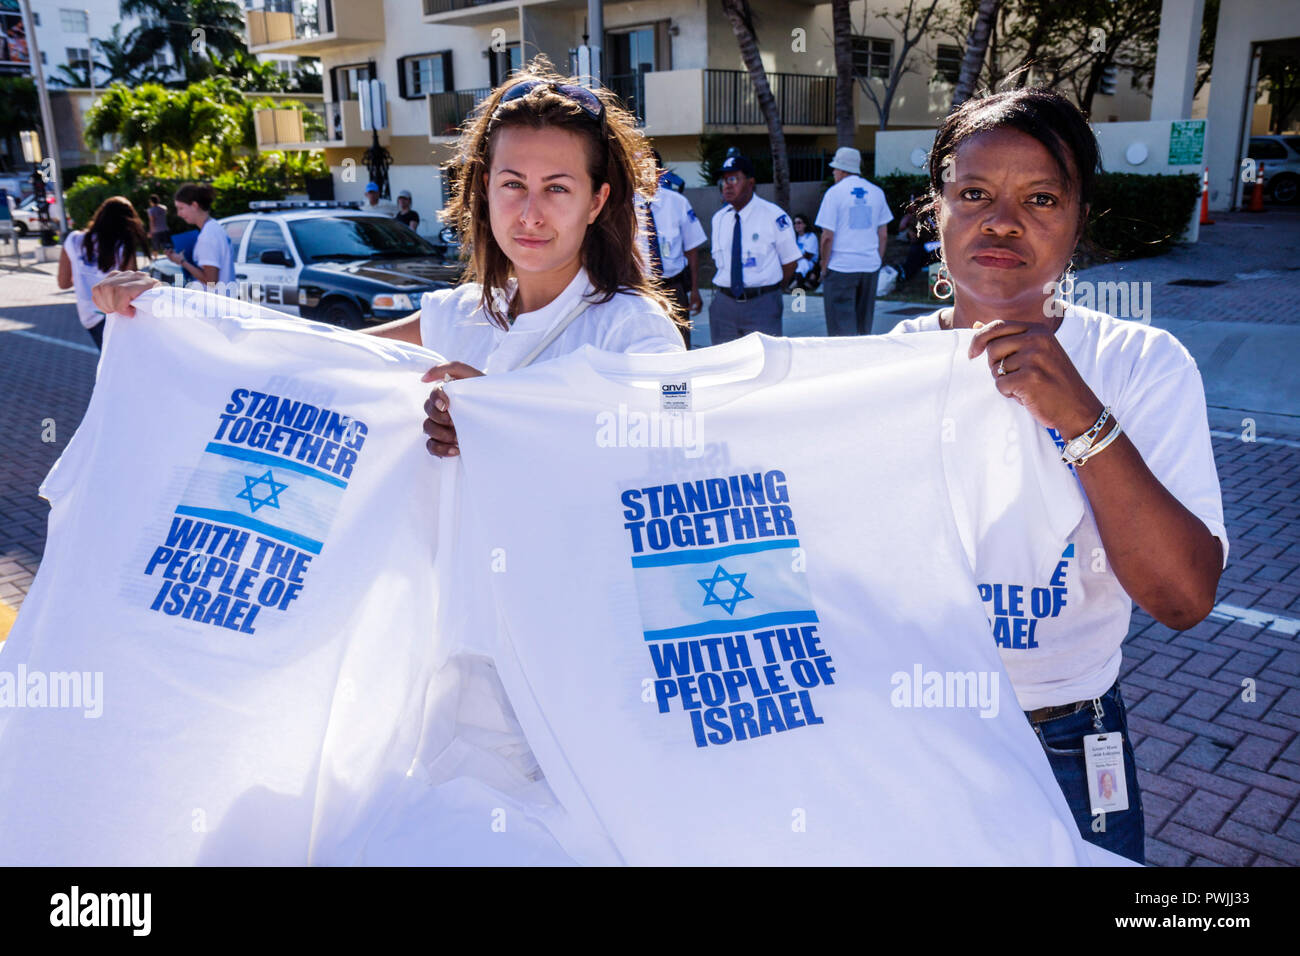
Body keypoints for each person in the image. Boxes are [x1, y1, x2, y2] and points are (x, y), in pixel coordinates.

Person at [889, 87, 1227, 864]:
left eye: (1041, 198)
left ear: (1079, 223)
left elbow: (1183, 597)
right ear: (934, 209)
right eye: (973, 193)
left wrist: (1080, 414)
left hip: (1071, 736)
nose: (1002, 221)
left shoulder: (1141, 365)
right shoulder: (884, 371)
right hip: (914, 729)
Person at [91, 55, 685, 458]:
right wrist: (171, 312)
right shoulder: (461, 316)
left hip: (562, 633)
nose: (530, 212)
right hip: (456, 635)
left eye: (557, 187)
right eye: (512, 184)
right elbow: (316, 356)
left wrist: (508, 417)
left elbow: (673, 454)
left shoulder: (634, 330)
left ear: (595, 200)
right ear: (483, 189)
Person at [708, 154, 800, 345]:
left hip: (762, 305)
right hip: (724, 306)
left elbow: (790, 262)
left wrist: (769, 290)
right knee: (724, 367)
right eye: (723, 180)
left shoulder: (774, 216)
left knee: (766, 365)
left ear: (750, 183)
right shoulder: (719, 219)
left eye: (733, 179)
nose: (727, 185)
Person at [815, 147, 893, 335]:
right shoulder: (876, 192)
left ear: (841, 170)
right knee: (863, 327)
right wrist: (876, 261)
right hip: (869, 267)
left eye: (834, 169)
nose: (833, 172)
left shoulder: (834, 193)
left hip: (841, 267)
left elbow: (827, 237)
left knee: (841, 330)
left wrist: (824, 265)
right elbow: (883, 234)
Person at [58, 196, 148, 349]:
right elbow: (133, 287)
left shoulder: (73, 240)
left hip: (88, 315)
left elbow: (63, 283)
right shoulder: (123, 245)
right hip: (117, 314)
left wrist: (84, 274)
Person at [638, 148, 706, 347]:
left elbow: (691, 250)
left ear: (660, 172)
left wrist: (694, 290)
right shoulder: (623, 206)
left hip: (673, 287)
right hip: (639, 292)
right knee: (644, 346)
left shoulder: (678, 203)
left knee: (679, 345)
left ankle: (680, 380)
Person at [166, 183, 234, 288]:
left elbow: (211, 281)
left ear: (194, 205)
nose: (179, 214)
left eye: (181, 208)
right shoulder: (215, 228)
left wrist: (182, 261)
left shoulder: (208, 235)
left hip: (213, 302)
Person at [786, 213, 820, 291]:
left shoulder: (811, 236)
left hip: (810, 262)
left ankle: (792, 286)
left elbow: (808, 255)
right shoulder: (795, 237)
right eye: (794, 223)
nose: (796, 225)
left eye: (799, 223)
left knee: (803, 263)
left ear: (805, 224)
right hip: (796, 260)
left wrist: (794, 259)